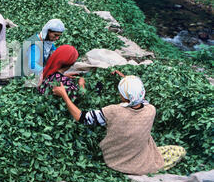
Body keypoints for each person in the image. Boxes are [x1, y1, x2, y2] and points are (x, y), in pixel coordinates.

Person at [52, 71, 187, 175]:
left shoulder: (113, 111)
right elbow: (139, 98)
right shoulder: (151, 110)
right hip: (141, 160)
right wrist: (124, 78)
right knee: (180, 151)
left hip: (113, 161)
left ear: (123, 96)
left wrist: (64, 95)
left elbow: (82, 117)